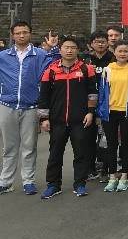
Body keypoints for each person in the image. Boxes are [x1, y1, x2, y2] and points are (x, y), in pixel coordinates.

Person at [0, 22, 58, 196]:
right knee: (9, 146)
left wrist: (54, 49)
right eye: (18, 33)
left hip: (31, 106)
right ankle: (6, 181)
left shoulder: (40, 54)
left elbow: (54, 67)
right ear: (12, 35)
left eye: (25, 32)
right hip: (7, 104)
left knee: (29, 146)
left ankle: (28, 181)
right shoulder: (3, 56)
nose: (21, 35)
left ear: (30, 34)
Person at [37, 36, 97, 199]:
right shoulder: (51, 71)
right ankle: (53, 185)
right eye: (66, 47)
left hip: (80, 120)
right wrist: (44, 118)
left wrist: (90, 112)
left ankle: (80, 184)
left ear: (78, 50)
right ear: (60, 50)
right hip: (57, 120)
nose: (69, 50)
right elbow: (44, 97)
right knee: (55, 154)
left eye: (73, 48)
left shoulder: (86, 69)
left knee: (81, 153)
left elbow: (92, 93)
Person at [96, 41, 128, 193]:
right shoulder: (107, 70)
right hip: (110, 112)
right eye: (120, 51)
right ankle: (112, 176)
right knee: (111, 145)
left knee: (127, 144)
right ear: (114, 52)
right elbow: (102, 93)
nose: (123, 54)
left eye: (126, 51)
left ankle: (124, 176)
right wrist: (100, 112)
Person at [82, 30, 115, 182]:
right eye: (97, 41)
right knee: (88, 138)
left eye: (103, 41)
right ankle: (90, 168)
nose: (100, 44)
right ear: (91, 44)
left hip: (108, 104)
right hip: (89, 104)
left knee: (106, 138)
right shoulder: (86, 61)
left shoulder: (113, 59)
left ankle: (106, 169)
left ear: (108, 43)